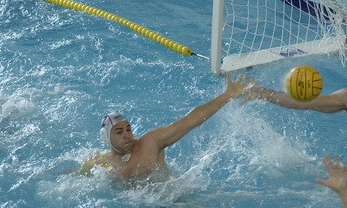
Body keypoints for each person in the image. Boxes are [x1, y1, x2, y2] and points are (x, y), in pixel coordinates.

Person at [85, 73, 247, 179]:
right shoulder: (101, 163)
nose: (127, 135)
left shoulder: (150, 142)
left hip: (171, 200)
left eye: (128, 129)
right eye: (119, 132)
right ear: (106, 137)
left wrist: (226, 96)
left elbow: (189, 121)